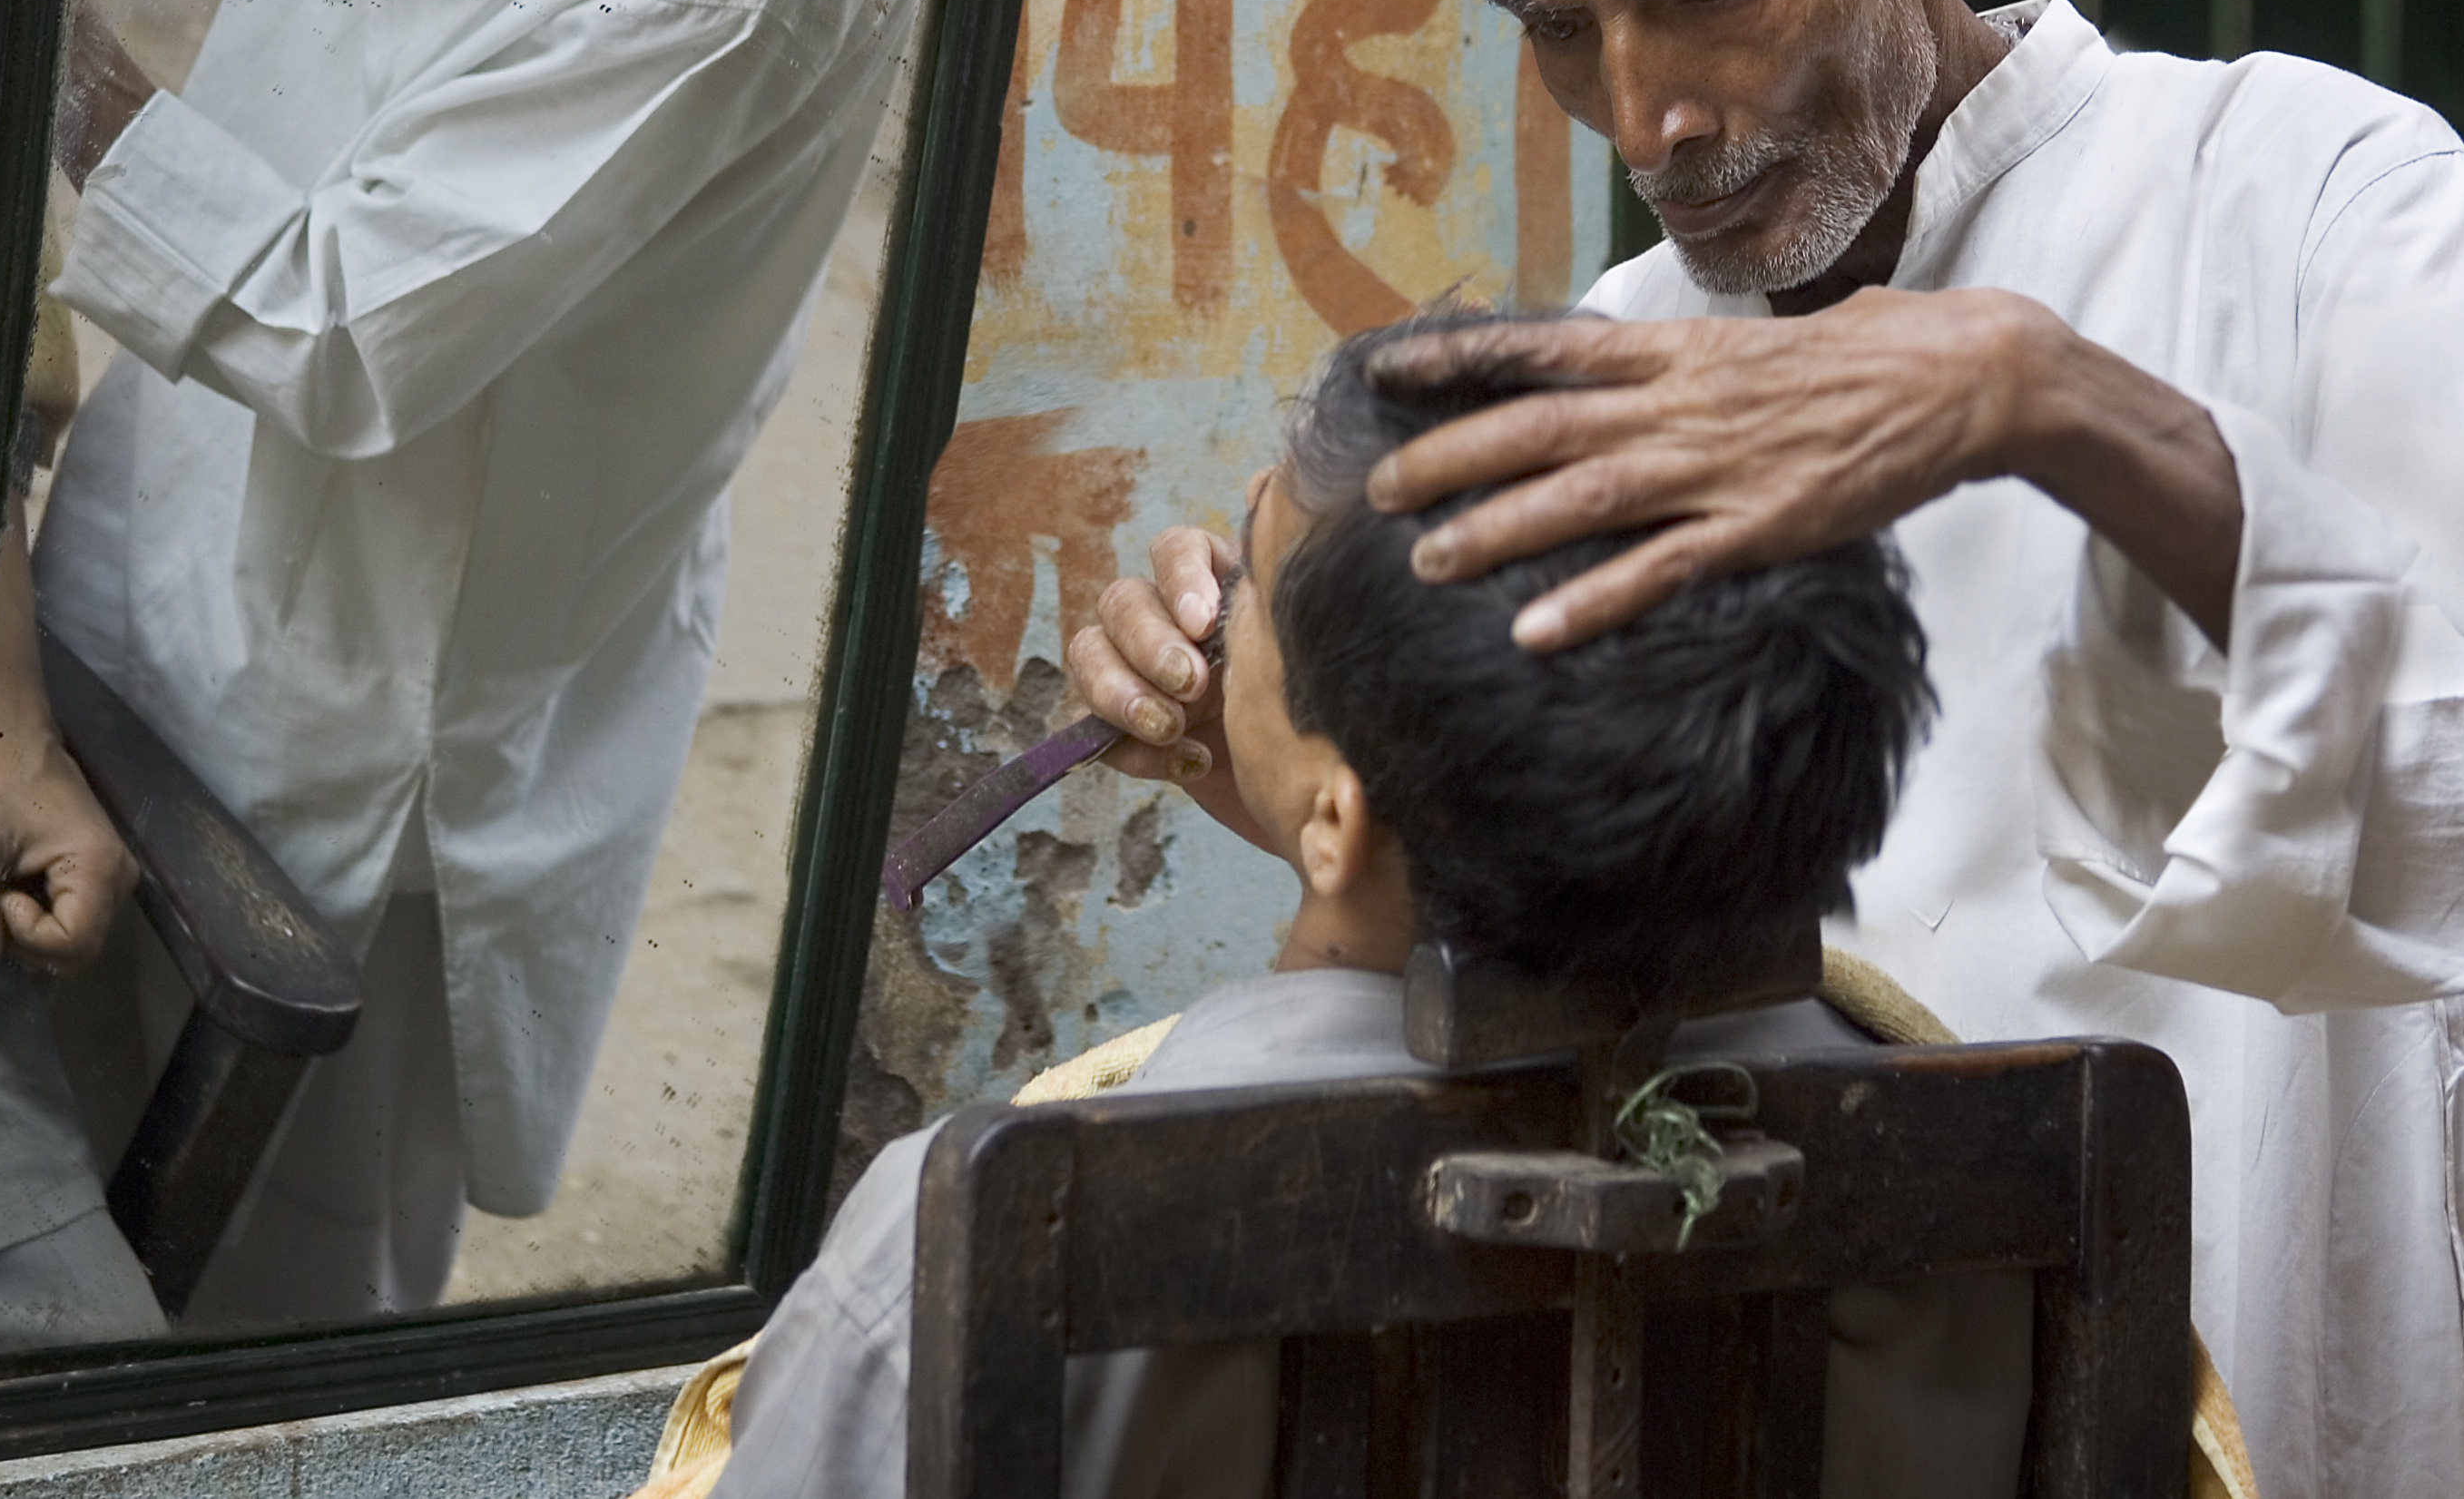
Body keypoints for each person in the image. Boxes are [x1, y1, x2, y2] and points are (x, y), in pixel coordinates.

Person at [1075, 0, 2464, 1498]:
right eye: (1559, 27)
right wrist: (1291, 757)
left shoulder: (2324, 201)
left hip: (2312, 1389)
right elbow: (1600, 964)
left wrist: (2044, 401)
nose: (1646, 120)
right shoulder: (1621, 365)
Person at [708, 317, 2059, 1499]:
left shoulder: (990, 1234)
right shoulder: (1981, 1178)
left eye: (1249, 586)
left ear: (1341, 818)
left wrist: (1345, 838)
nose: (1214, 590)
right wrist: (1335, 816)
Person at [0, 0, 933, 1357]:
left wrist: (30, 29)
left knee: (271, 1316)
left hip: (368, 723)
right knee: (55, 1155)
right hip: (152, 573)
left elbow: (331, 326)